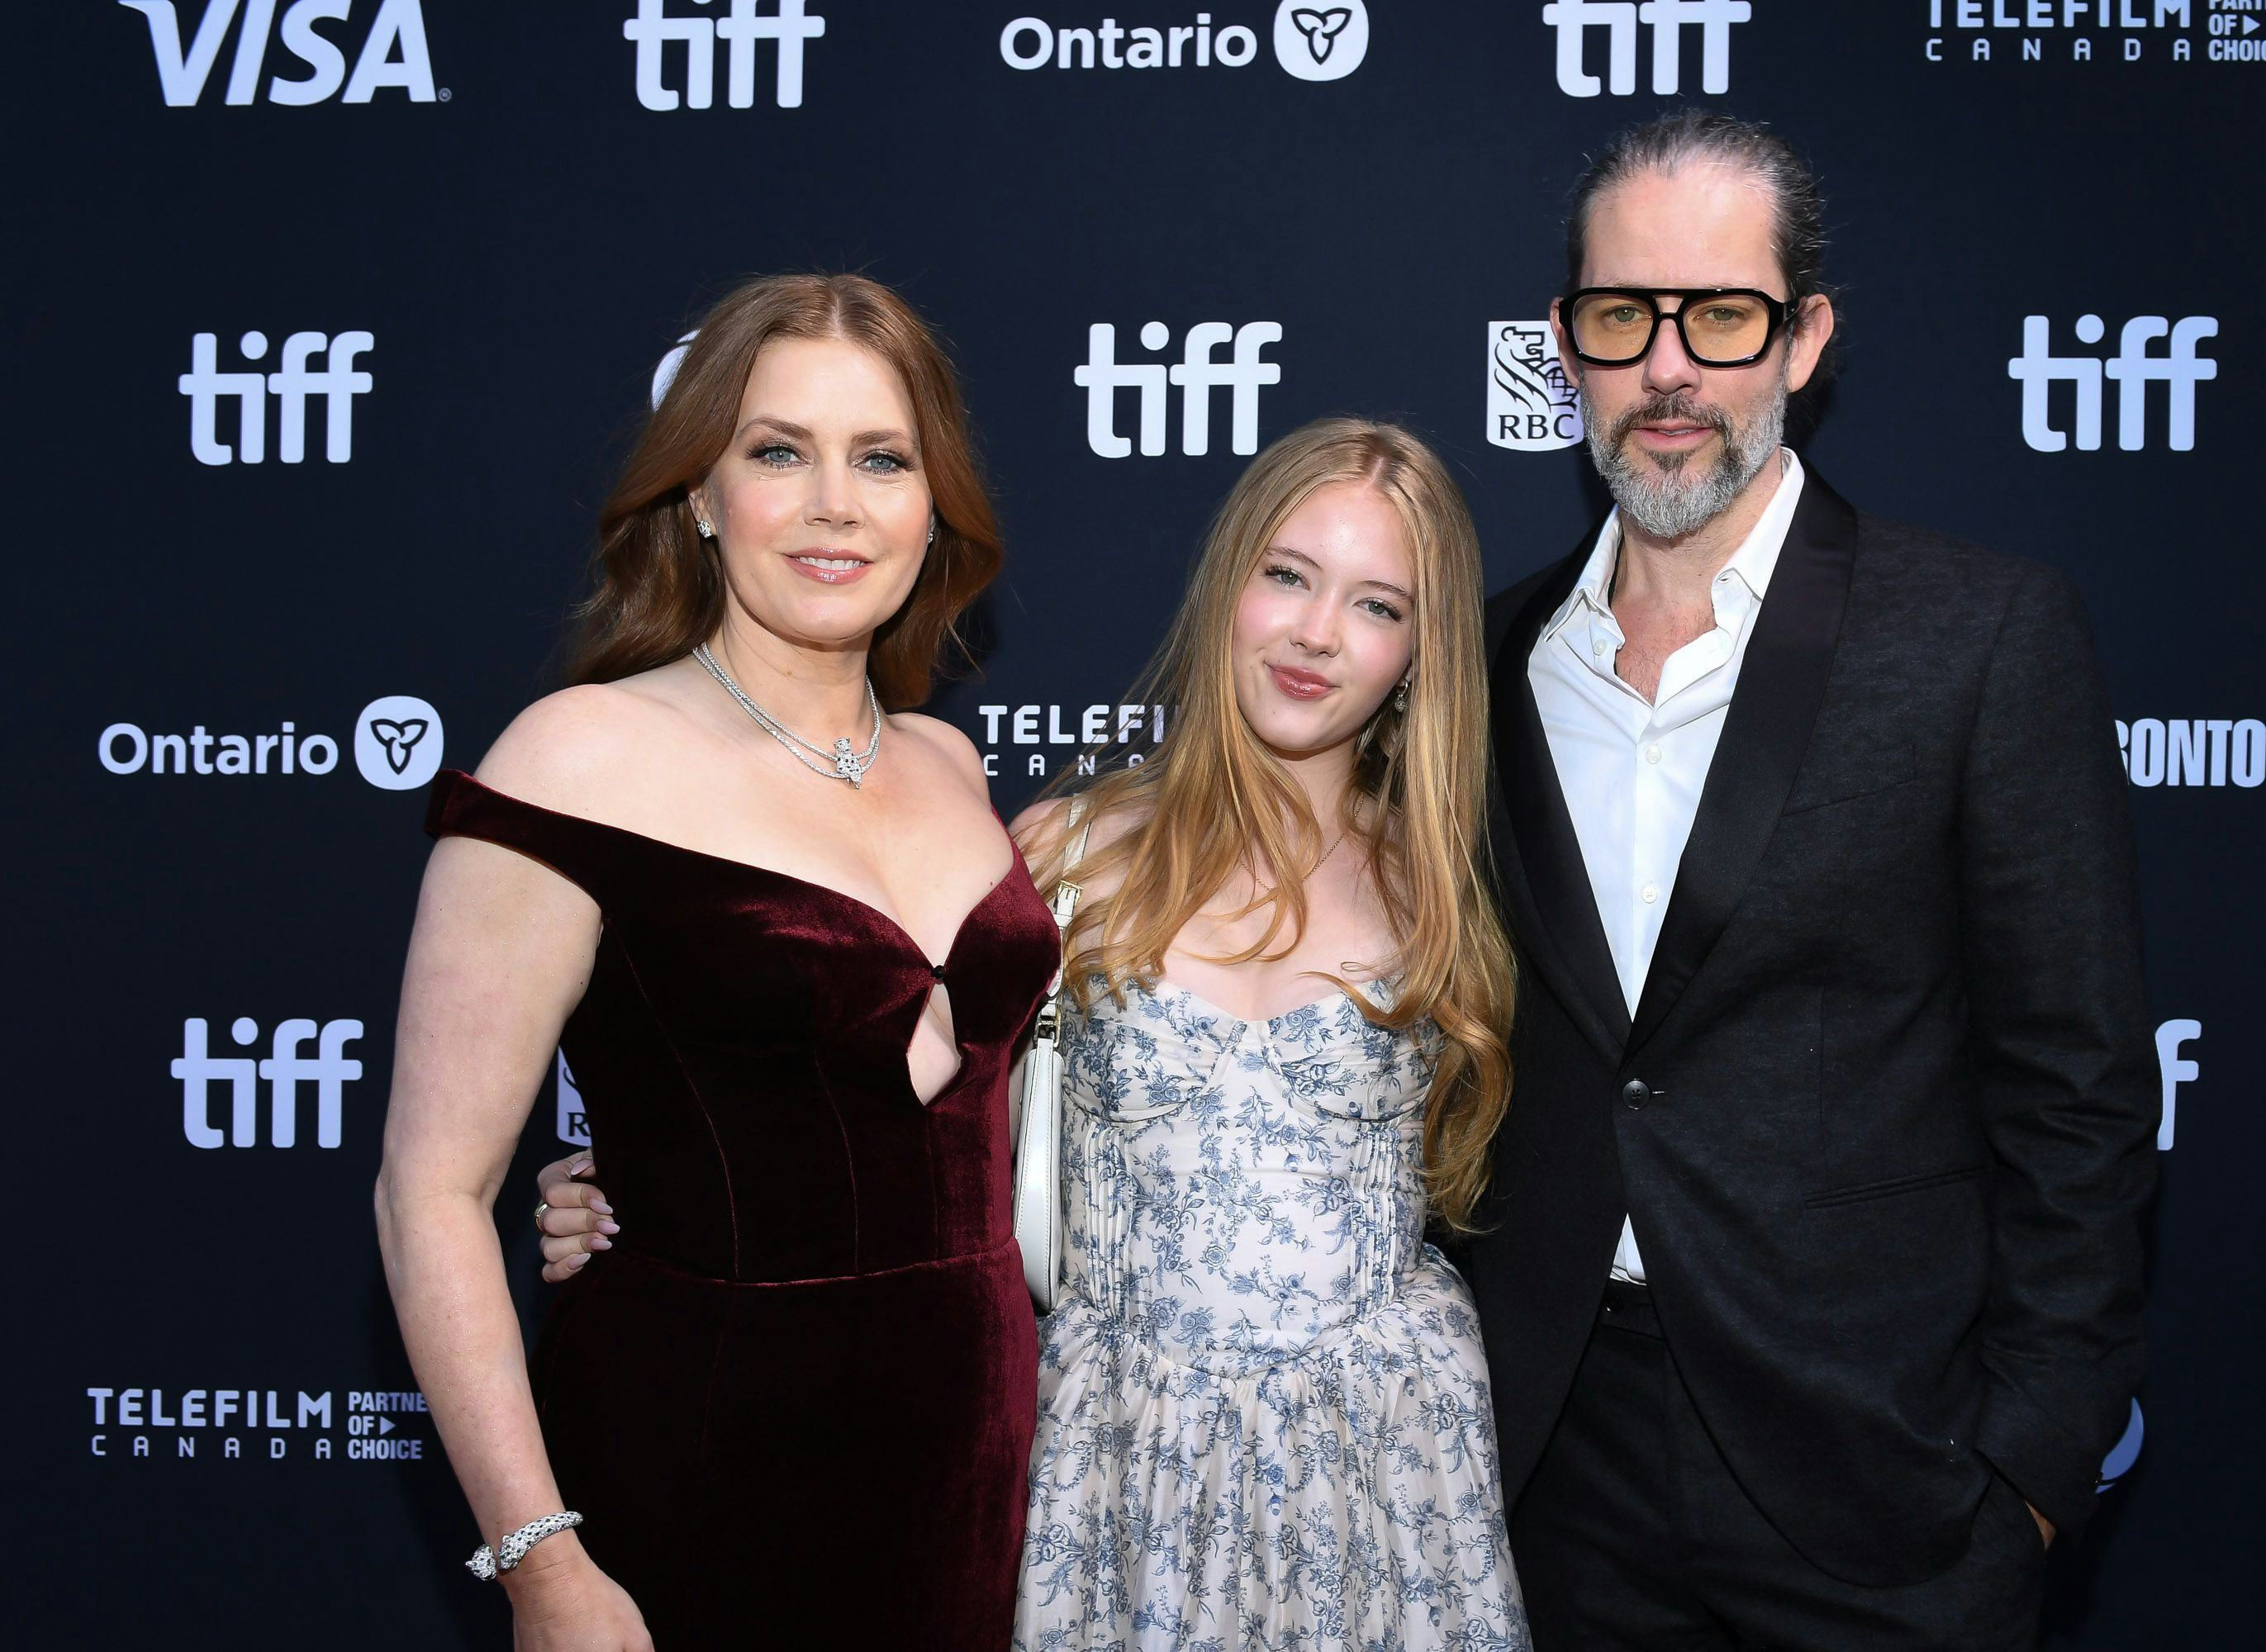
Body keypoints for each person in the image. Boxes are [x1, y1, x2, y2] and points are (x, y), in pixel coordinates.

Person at [539, 418, 1534, 1650]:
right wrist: (650, 1187)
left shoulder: (1454, 888)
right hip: (1119, 1456)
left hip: (1382, 1462)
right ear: (1229, 582)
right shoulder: (1064, 857)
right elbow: (900, 1139)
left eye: (1377, 603)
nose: (1317, 633)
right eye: (1287, 575)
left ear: (1422, 650)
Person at [1466, 112, 2159, 1651]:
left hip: (1883, 1479)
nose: (1668, 370)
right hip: (1548, 1473)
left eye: (1721, 315)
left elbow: (2081, 1090)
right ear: (1564, 345)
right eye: (1619, 315)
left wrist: (2029, 1472)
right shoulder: (1484, 658)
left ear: (1805, 338)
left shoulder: (1979, 638)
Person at [373, 273, 1056, 1651]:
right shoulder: (577, 757)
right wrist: (540, 1567)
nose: (834, 505)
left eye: (882, 458)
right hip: (699, 1464)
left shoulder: (948, 763)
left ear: (934, 505)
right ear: (698, 492)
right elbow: (430, 1191)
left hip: (970, 1473)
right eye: (776, 452)